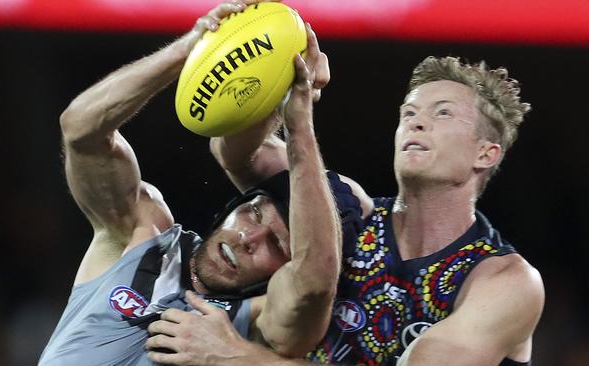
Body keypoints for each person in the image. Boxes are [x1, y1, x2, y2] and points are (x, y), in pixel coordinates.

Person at [143, 55, 546, 365]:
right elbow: (235, 150)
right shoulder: (352, 216)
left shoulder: (504, 282)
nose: (416, 124)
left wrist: (234, 355)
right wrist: (282, 79)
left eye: (442, 113)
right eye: (409, 113)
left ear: (485, 153)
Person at [38, 1, 368, 364]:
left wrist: (299, 120)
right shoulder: (142, 231)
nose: (249, 238)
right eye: (254, 215)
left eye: (275, 243)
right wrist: (190, 50)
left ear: (283, 272)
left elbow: (314, 283)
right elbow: (81, 131)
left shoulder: (258, 327)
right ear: (233, 206)